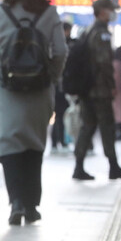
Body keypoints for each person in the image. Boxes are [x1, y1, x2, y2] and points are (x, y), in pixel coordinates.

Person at [0, 0, 67, 225]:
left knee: (9, 144)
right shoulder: (50, 14)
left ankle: (16, 202)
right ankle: (32, 205)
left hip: (6, 88)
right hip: (40, 88)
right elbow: (61, 51)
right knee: (34, 143)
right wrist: (52, 76)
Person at [72, 0, 121, 181]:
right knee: (107, 128)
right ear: (101, 11)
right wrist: (111, 85)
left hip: (87, 89)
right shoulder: (101, 33)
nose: (112, 13)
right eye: (110, 9)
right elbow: (104, 63)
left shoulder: (87, 31)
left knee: (88, 127)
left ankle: (78, 166)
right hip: (99, 90)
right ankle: (113, 167)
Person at [50, 20, 74, 152]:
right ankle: (59, 142)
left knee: (59, 116)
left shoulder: (55, 43)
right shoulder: (63, 45)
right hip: (60, 88)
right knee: (60, 116)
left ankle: (58, 142)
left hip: (58, 87)